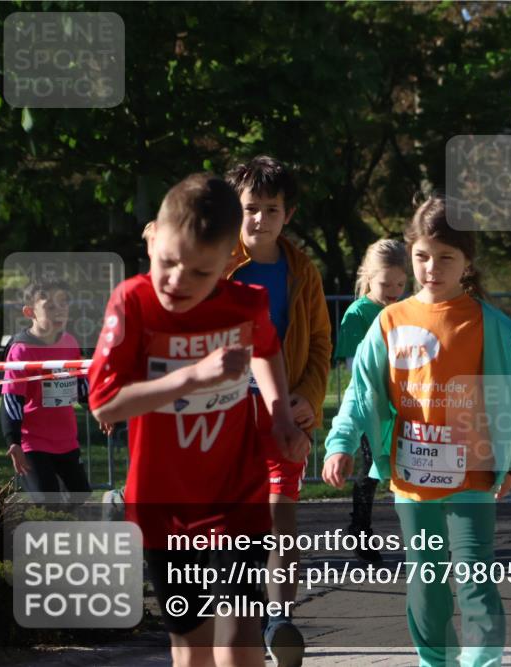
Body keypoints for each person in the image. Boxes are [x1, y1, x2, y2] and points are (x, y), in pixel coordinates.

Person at [89, 173, 308, 667]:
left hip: (236, 493)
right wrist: (192, 377)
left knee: (239, 638)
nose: (176, 281)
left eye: (199, 272)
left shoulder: (245, 303)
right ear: (152, 239)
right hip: (164, 506)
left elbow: (267, 350)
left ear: (229, 258)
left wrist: (280, 418)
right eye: (167, 262)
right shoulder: (132, 303)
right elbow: (104, 404)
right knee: (194, 644)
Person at [322, 196, 511, 667]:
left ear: (467, 261)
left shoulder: (487, 324)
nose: (432, 268)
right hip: (413, 480)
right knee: (427, 581)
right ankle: (436, 662)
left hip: (473, 476)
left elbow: (507, 401)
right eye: (422, 256)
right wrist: (341, 444)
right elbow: (360, 392)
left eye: (446, 257)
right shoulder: (389, 321)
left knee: (476, 579)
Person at [225, 156, 332, 667]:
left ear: (288, 214)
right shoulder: (215, 262)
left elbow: (319, 345)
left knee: (281, 522)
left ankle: (280, 619)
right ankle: (236, 617)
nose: (260, 218)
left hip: (285, 417)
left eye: (272, 209)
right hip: (225, 418)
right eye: (251, 208)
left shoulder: (301, 270)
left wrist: (309, 398)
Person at [333, 238, 409, 563]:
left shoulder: (405, 309)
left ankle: (421, 533)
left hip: (403, 402)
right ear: (368, 276)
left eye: (401, 283)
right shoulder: (359, 313)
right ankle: (359, 528)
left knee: (409, 466)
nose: (393, 290)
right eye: (386, 283)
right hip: (369, 403)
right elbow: (356, 367)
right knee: (372, 467)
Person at [1, 279, 91, 498]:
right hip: (33, 443)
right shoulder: (21, 350)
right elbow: (12, 398)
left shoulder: (70, 342)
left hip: (67, 440)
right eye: (50, 307)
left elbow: (80, 381)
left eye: (63, 304)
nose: (59, 311)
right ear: (29, 312)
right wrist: (13, 441)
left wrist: (96, 406)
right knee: (48, 503)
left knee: (83, 500)